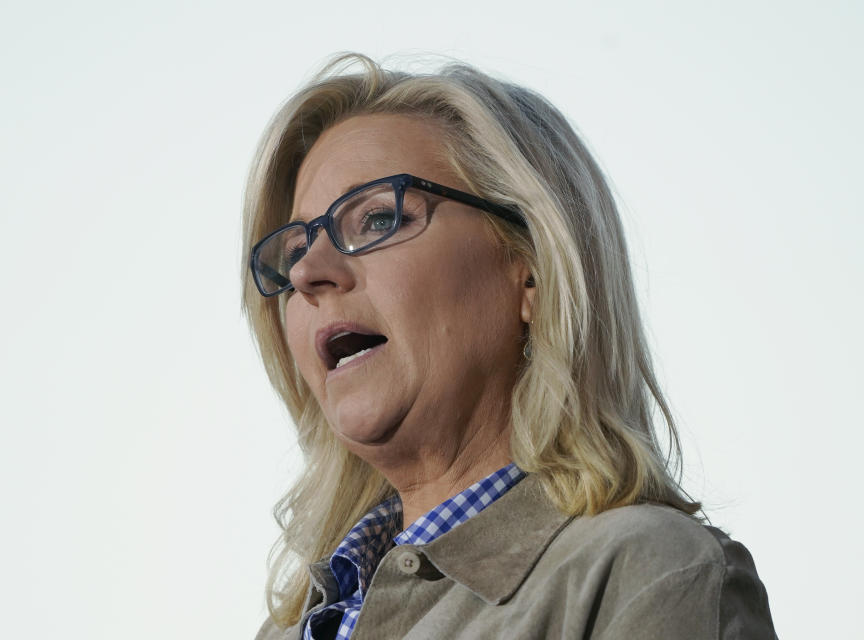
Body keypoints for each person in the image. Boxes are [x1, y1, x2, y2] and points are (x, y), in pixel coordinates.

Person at [242, 53, 777, 639]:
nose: (307, 273)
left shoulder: (647, 571)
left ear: (530, 268)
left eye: (374, 219)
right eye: (293, 250)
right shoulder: (285, 630)